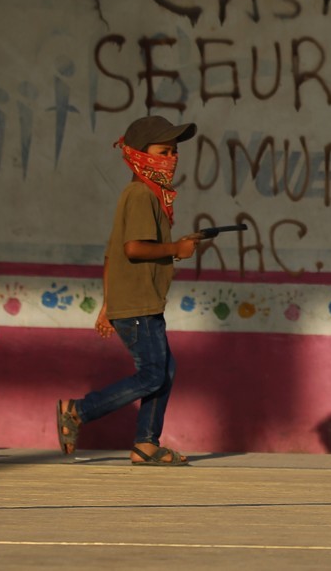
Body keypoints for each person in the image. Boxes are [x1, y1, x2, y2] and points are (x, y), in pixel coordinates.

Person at [57, 115, 200, 466]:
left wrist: (107, 306)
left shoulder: (149, 194)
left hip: (139, 301)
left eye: (174, 151)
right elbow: (132, 249)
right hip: (138, 304)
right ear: (139, 154)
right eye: (164, 151)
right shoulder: (140, 194)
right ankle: (78, 411)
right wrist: (176, 250)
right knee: (153, 373)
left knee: (165, 369)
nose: (172, 158)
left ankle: (146, 445)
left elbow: (110, 254)